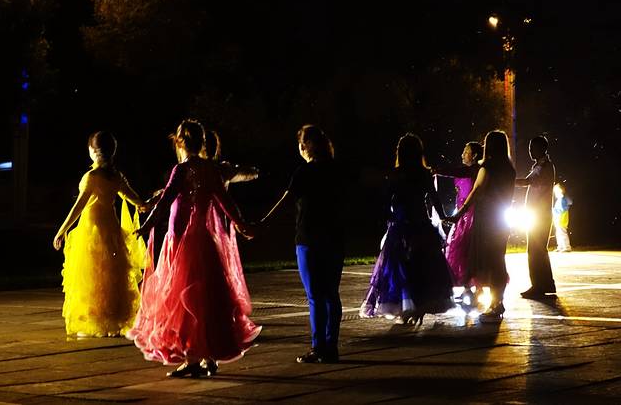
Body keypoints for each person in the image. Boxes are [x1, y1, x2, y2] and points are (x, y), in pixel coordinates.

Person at [126, 119, 261, 378]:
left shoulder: (181, 170)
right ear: (202, 143)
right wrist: (241, 224)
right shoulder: (211, 169)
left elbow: (166, 200)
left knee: (183, 302)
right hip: (205, 242)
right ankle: (208, 357)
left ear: (179, 143)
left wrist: (147, 225)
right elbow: (224, 200)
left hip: (182, 244)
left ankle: (191, 360)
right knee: (207, 300)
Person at [262, 125, 345, 364]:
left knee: (315, 295)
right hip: (334, 238)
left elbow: (286, 201)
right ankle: (331, 346)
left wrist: (263, 224)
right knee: (331, 294)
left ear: (304, 146)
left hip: (309, 239)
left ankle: (319, 347)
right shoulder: (336, 170)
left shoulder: (305, 172)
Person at [53, 131, 147, 337]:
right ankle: (112, 319)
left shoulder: (92, 177)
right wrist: (146, 203)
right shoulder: (116, 176)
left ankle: (96, 320)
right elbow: (134, 198)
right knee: (112, 274)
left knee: (92, 274)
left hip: (92, 229)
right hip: (111, 228)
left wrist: (62, 230)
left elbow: (78, 207)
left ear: (92, 151)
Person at [360, 133, 454, 325]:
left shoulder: (396, 174)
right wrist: (443, 216)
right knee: (423, 267)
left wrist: (386, 216)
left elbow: (386, 200)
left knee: (401, 269)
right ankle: (418, 307)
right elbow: (434, 197)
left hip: (401, 225)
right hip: (421, 224)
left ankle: (407, 308)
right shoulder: (424, 173)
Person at [445, 130, 515, 322]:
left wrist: (459, 214)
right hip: (501, 221)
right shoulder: (509, 170)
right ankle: (497, 301)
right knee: (498, 261)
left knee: (484, 262)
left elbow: (476, 192)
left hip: (486, 220)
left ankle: (491, 302)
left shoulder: (488, 168)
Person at [434, 141, 483, 303]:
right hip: (463, 215)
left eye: (466, 152)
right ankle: (469, 288)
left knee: (469, 251)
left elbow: (457, 172)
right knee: (463, 252)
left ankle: (478, 288)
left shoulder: (474, 170)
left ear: (474, 156)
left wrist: (438, 170)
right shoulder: (467, 171)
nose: (462, 154)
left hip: (472, 216)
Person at [516, 136, 557, 298]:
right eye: (529, 148)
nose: (530, 151)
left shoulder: (544, 167)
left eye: (533, 147)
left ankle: (538, 286)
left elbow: (526, 182)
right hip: (538, 214)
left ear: (542, 148)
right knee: (538, 250)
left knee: (534, 251)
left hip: (539, 215)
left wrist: (506, 180)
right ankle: (545, 284)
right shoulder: (540, 165)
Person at [553, 183, 572, 252]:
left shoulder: (563, 199)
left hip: (561, 218)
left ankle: (567, 247)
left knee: (562, 232)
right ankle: (560, 247)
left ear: (560, 190)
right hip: (557, 218)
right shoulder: (559, 199)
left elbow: (564, 208)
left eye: (556, 190)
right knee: (558, 233)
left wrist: (555, 210)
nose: (555, 193)